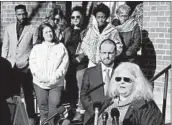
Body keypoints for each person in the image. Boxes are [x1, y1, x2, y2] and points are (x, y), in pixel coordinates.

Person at [1, 4, 37, 123]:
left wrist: (30, 65)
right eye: (19, 14)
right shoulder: (9, 28)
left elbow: (35, 48)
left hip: (25, 67)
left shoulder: (32, 28)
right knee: (12, 94)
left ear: (26, 13)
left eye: (23, 14)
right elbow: (5, 47)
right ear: (15, 15)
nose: (22, 16)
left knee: (28, 93)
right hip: (11, 67)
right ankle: (14, 117)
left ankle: (31, 117)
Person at [97, 62, 163, 125]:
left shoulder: (146, 106)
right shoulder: (109, 102)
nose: (121, 82)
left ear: (137, 83)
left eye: (126, 79)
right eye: (118, 79)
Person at [29, 23, 69, 124]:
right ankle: (43, 123)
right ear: (42, 34)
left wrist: (56, 77)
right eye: (46, 32)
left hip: (56, 82)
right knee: (43, 107)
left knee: (54, 106)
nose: (49, 34)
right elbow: (33, 65)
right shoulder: (37, 48)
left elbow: (64, 64)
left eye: (50, 31)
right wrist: (42, 77)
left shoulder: (60, 47)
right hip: (40, 83)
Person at [80, 39, 119, 125]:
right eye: (104, 53)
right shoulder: (89, 72)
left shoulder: (121, 71)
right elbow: (83, 96)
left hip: (115, 118)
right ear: (100, 53)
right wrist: (95, 112)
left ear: (115, 53)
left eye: (110, 53)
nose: (107, 56)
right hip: (93, 118)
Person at [62, 6, 88, 122]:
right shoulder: (67, 31)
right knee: (70, 88)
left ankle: (79, 112)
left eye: (78, 17)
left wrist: (78, 59)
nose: (75, 19)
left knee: (80, 88)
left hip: (80, 64)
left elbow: (87, 48)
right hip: (69, 65)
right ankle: (71, 110)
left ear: (82, 18)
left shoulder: (86, 31)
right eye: (73, 17)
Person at [81, 3, 123, 68]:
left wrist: (109, 57)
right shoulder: (91, 29)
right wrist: (90, 55)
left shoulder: (112, 30)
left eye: (103, 17)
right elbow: (84, 44)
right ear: (95, 17)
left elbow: (118, 47)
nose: (100, 20)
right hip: (92, 63)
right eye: (98, 17)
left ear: (106, 17)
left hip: (107, 64)